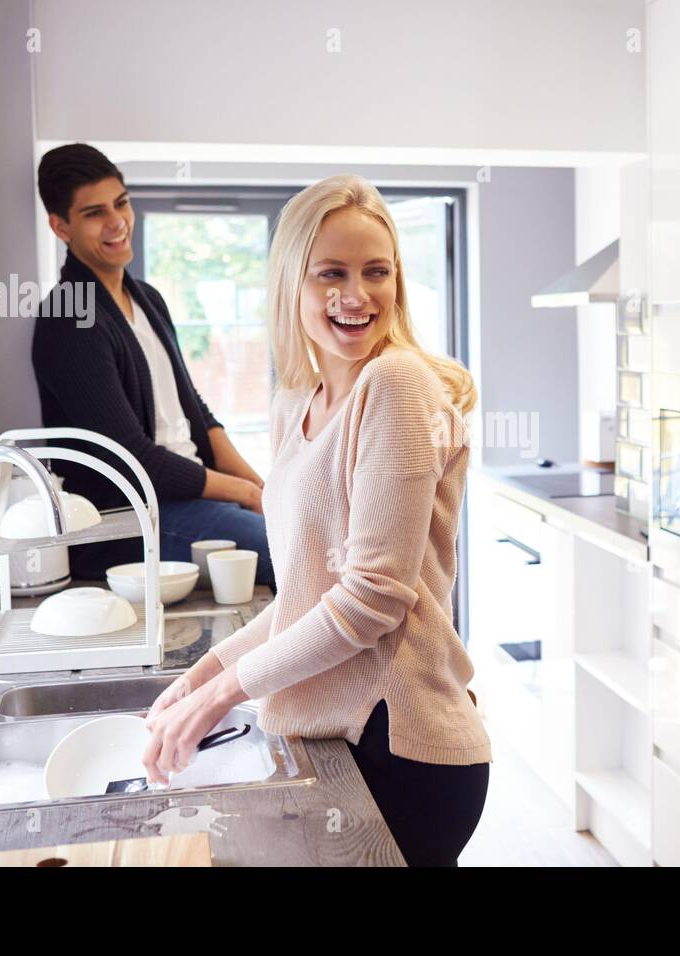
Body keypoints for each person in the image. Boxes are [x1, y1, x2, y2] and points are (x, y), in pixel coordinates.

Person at [139, 174, 490, 866]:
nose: (356, 296)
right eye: (331, 273)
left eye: (375, 272)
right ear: (291, 285)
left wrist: (220, 699)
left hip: (404, 748)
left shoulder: (395, 383)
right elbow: (306, 596)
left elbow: (371, 601)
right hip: (345, 739)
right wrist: (202, 677)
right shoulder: (294, 405)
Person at [31, 144, 273, 588]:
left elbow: (196, 412)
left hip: (192, 498)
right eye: (94, 213)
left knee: (311, 537)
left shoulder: (147, 298)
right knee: (293, 554)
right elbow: (133, 458)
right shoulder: (69, 316)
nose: (117, 222)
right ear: (60, 226)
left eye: (121, 203)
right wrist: (244, 492)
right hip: (135, 520)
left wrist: (261, 488)